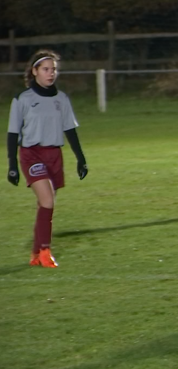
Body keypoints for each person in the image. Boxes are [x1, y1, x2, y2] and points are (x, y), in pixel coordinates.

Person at [6, 49, 88, 268]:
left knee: (45, 205)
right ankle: (45, 252)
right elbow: (13, 133)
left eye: (53, 70)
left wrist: (81, 159)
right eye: (46, 69)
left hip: (54, 155)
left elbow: (70, 130)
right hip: (31, 154)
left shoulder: (61, 99)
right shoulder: (23, 99)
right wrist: (12, 165)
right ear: (35, 71)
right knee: (48, 201)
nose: (51, 74)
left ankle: (34, 254)